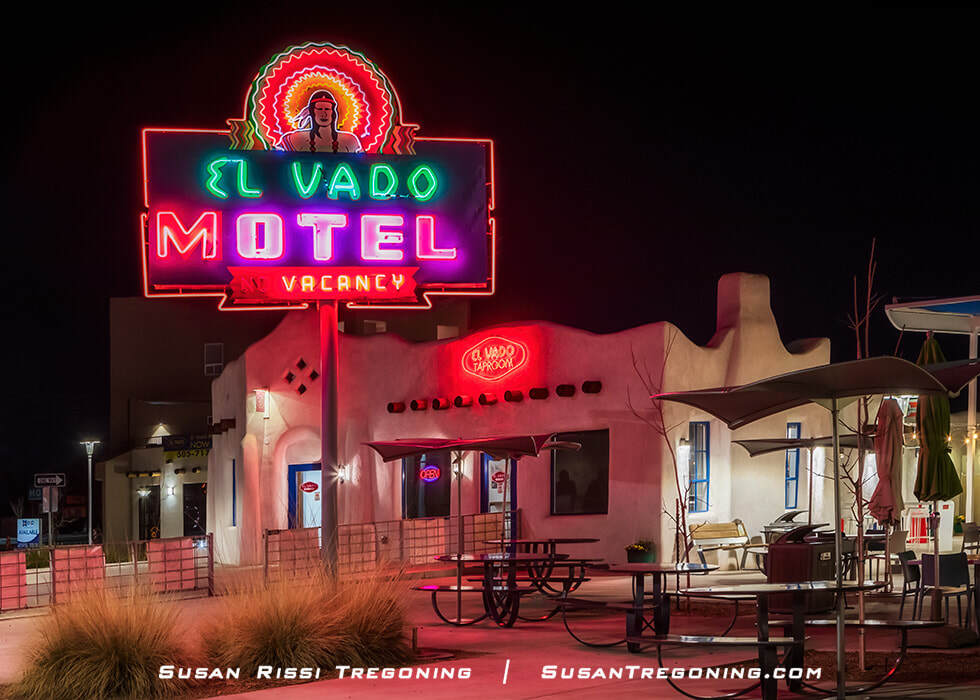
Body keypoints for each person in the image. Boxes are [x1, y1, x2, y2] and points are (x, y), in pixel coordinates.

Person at [278, 90, 363, 153]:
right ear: (312, 112)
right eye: (319, 109)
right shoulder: (294, 139)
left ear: (333, 112)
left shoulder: (350, 141)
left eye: (327, 109)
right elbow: (275, 159)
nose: (324, 114)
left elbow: (363, 164)